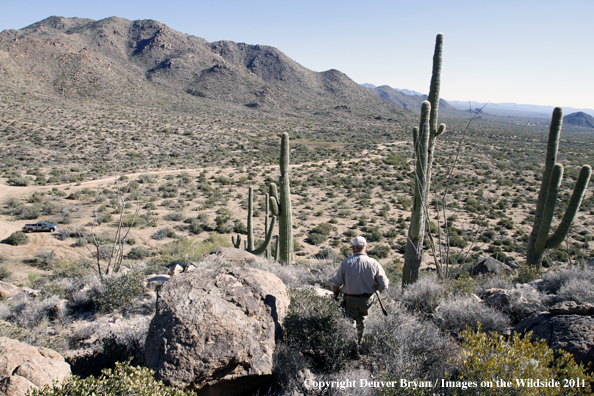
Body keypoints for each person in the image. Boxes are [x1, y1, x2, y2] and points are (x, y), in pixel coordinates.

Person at [331, 236, 389, 344]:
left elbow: (336, 283)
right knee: (362, 321)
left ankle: (350, 344)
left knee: (350, 322)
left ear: (353, 248)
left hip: (350, 299)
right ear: (366, 248)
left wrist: (335, 294)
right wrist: (377, 290)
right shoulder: (374, 263)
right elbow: (384, 284)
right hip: (367, 300)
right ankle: (359, 343)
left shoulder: (346, 263)